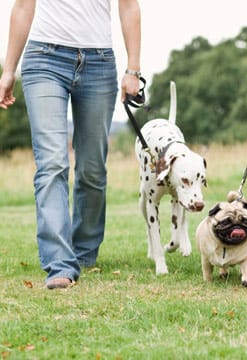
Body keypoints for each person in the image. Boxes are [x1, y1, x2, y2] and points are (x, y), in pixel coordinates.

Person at [0, 0, 142, 289]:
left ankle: (84, 252)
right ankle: (60, 264)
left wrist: (133, 70)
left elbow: (129, 6)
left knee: (92, 169)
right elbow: (23, 7)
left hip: (99, 64)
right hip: (44, 59)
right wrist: (8, 70)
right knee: (53, 162)